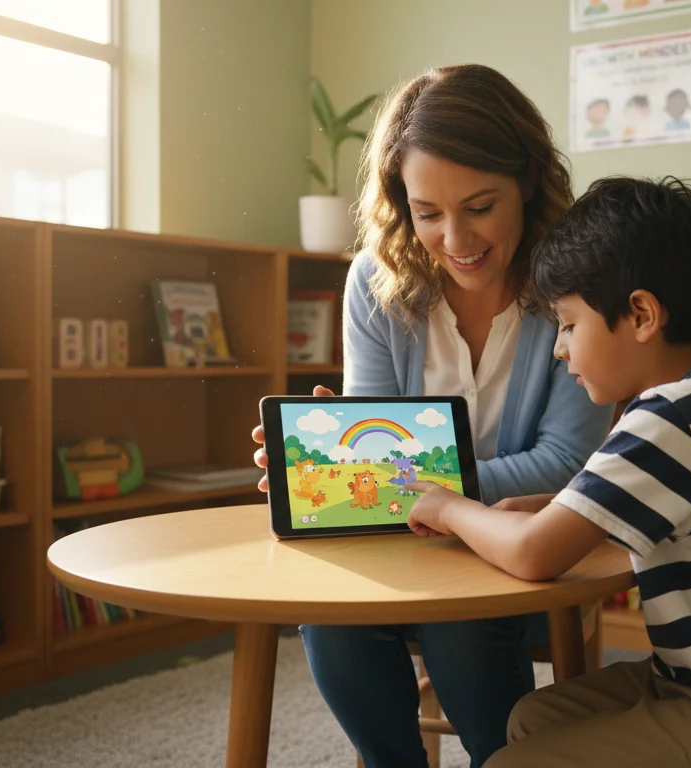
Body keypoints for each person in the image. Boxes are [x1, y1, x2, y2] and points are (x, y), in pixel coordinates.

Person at [405, 176, 691, 767]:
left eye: (569, 325)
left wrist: (448, 506)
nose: (559, 348)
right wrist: (555, 508)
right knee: (529, 717)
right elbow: (626, 507)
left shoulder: (664, 421)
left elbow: (532, 555)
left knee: (510, 762)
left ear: (642, 314)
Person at [250, 63, 613, 768]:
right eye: (428, 213)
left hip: (530, 549)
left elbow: (567, 464)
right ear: (401, 204)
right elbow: (372, 454)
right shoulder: (375, 282)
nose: (454, 239)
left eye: (480, 206)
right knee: (330, 621)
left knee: (462, 627)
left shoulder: (577, 286)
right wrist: (331, 460)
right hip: (405, 548)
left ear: (529, 182)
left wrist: (413, 488)